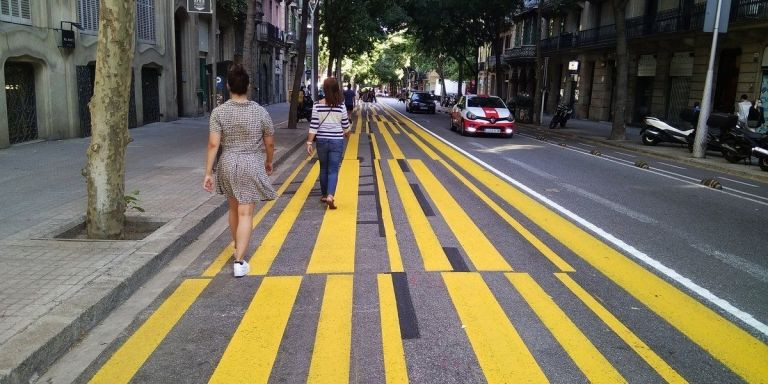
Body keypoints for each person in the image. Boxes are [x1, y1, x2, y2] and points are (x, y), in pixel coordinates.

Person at [203, 64, 277, 277]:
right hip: (251, 163)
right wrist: (269, 161)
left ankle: (238, 246)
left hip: (227, 163)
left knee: (233, 209)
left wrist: (208, 173)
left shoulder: (219, 112)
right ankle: (239, 261)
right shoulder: (260, 112)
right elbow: (270, 143)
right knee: (246, 213)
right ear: (248, 86)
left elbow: (213, 144)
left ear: (228, 86)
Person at [306, 77, 351, 209]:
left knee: (323, 168)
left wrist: (309, 143)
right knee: (333, 169)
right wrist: (348, 134)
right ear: (337, 89)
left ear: (324, 90)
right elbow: (345, 126)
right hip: (336, 141)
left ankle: (324, 195)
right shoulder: (341, 106)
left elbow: (314, 126)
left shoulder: (317, 105)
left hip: (322, 141)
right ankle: (330, 195)